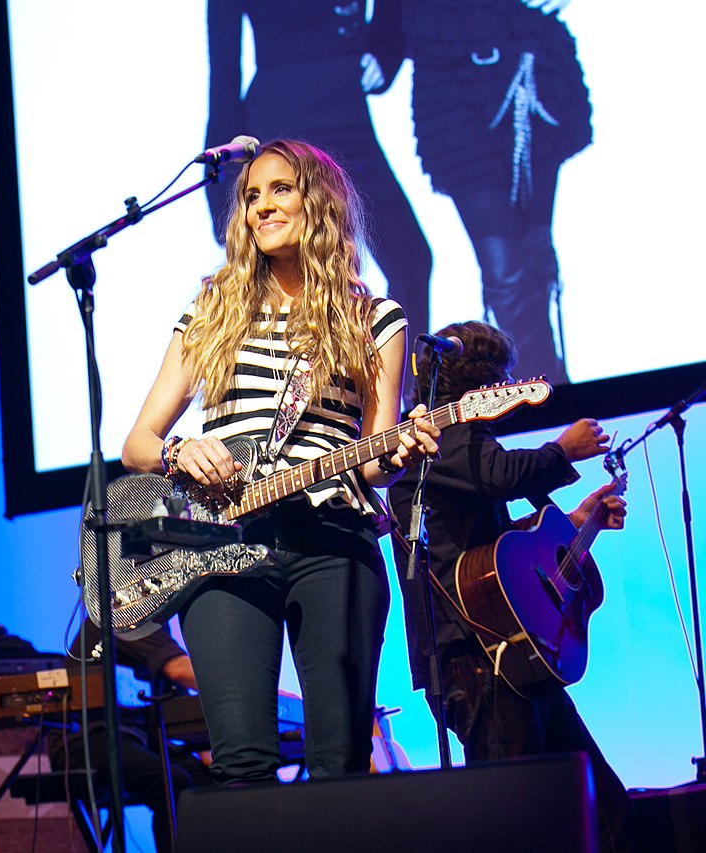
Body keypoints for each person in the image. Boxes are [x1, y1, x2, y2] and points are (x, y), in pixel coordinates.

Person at [122, 139, 441, 783]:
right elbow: (139, 444)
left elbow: (375, 454)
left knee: (340, 760)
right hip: (221, 545)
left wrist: (399, 456)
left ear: (317, 203)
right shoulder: (210, 312)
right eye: (249, 196)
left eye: (279, 190)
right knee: (240, 763)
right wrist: (185, 450)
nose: (261, 207)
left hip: (332, 540)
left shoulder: (374, 318)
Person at [387, 320, 631, 852]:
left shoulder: (463, 451)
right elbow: (497, 474)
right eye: (501, 378)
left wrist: (577, 518)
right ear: (485, 384)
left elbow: (498, 555)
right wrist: (563, 451)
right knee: (519, 826)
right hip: (475, 664)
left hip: (510, 658)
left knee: (601, 809)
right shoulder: (444, 437)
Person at [205, 0, 433, 341]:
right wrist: (221, 171)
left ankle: (411, 393)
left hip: (346, 109)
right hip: (280, 116)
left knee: (412, 258)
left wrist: (386, 47)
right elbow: (224, 68)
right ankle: (291, 383)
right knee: (290, 270)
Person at [402, 0, 592, 382]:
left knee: (536, 257)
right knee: (507, 268)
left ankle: (551, 390)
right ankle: (543, 395)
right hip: (452, 68)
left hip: (527, 50)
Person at [48, 619, 211, 853]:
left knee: (205, 779)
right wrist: (250, 690)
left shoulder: (155, 625)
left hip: (135, 739)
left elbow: (178, 700)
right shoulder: (121, 614)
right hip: (85, 739)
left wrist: (205, 747)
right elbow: (177, 669)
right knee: (173, 783)